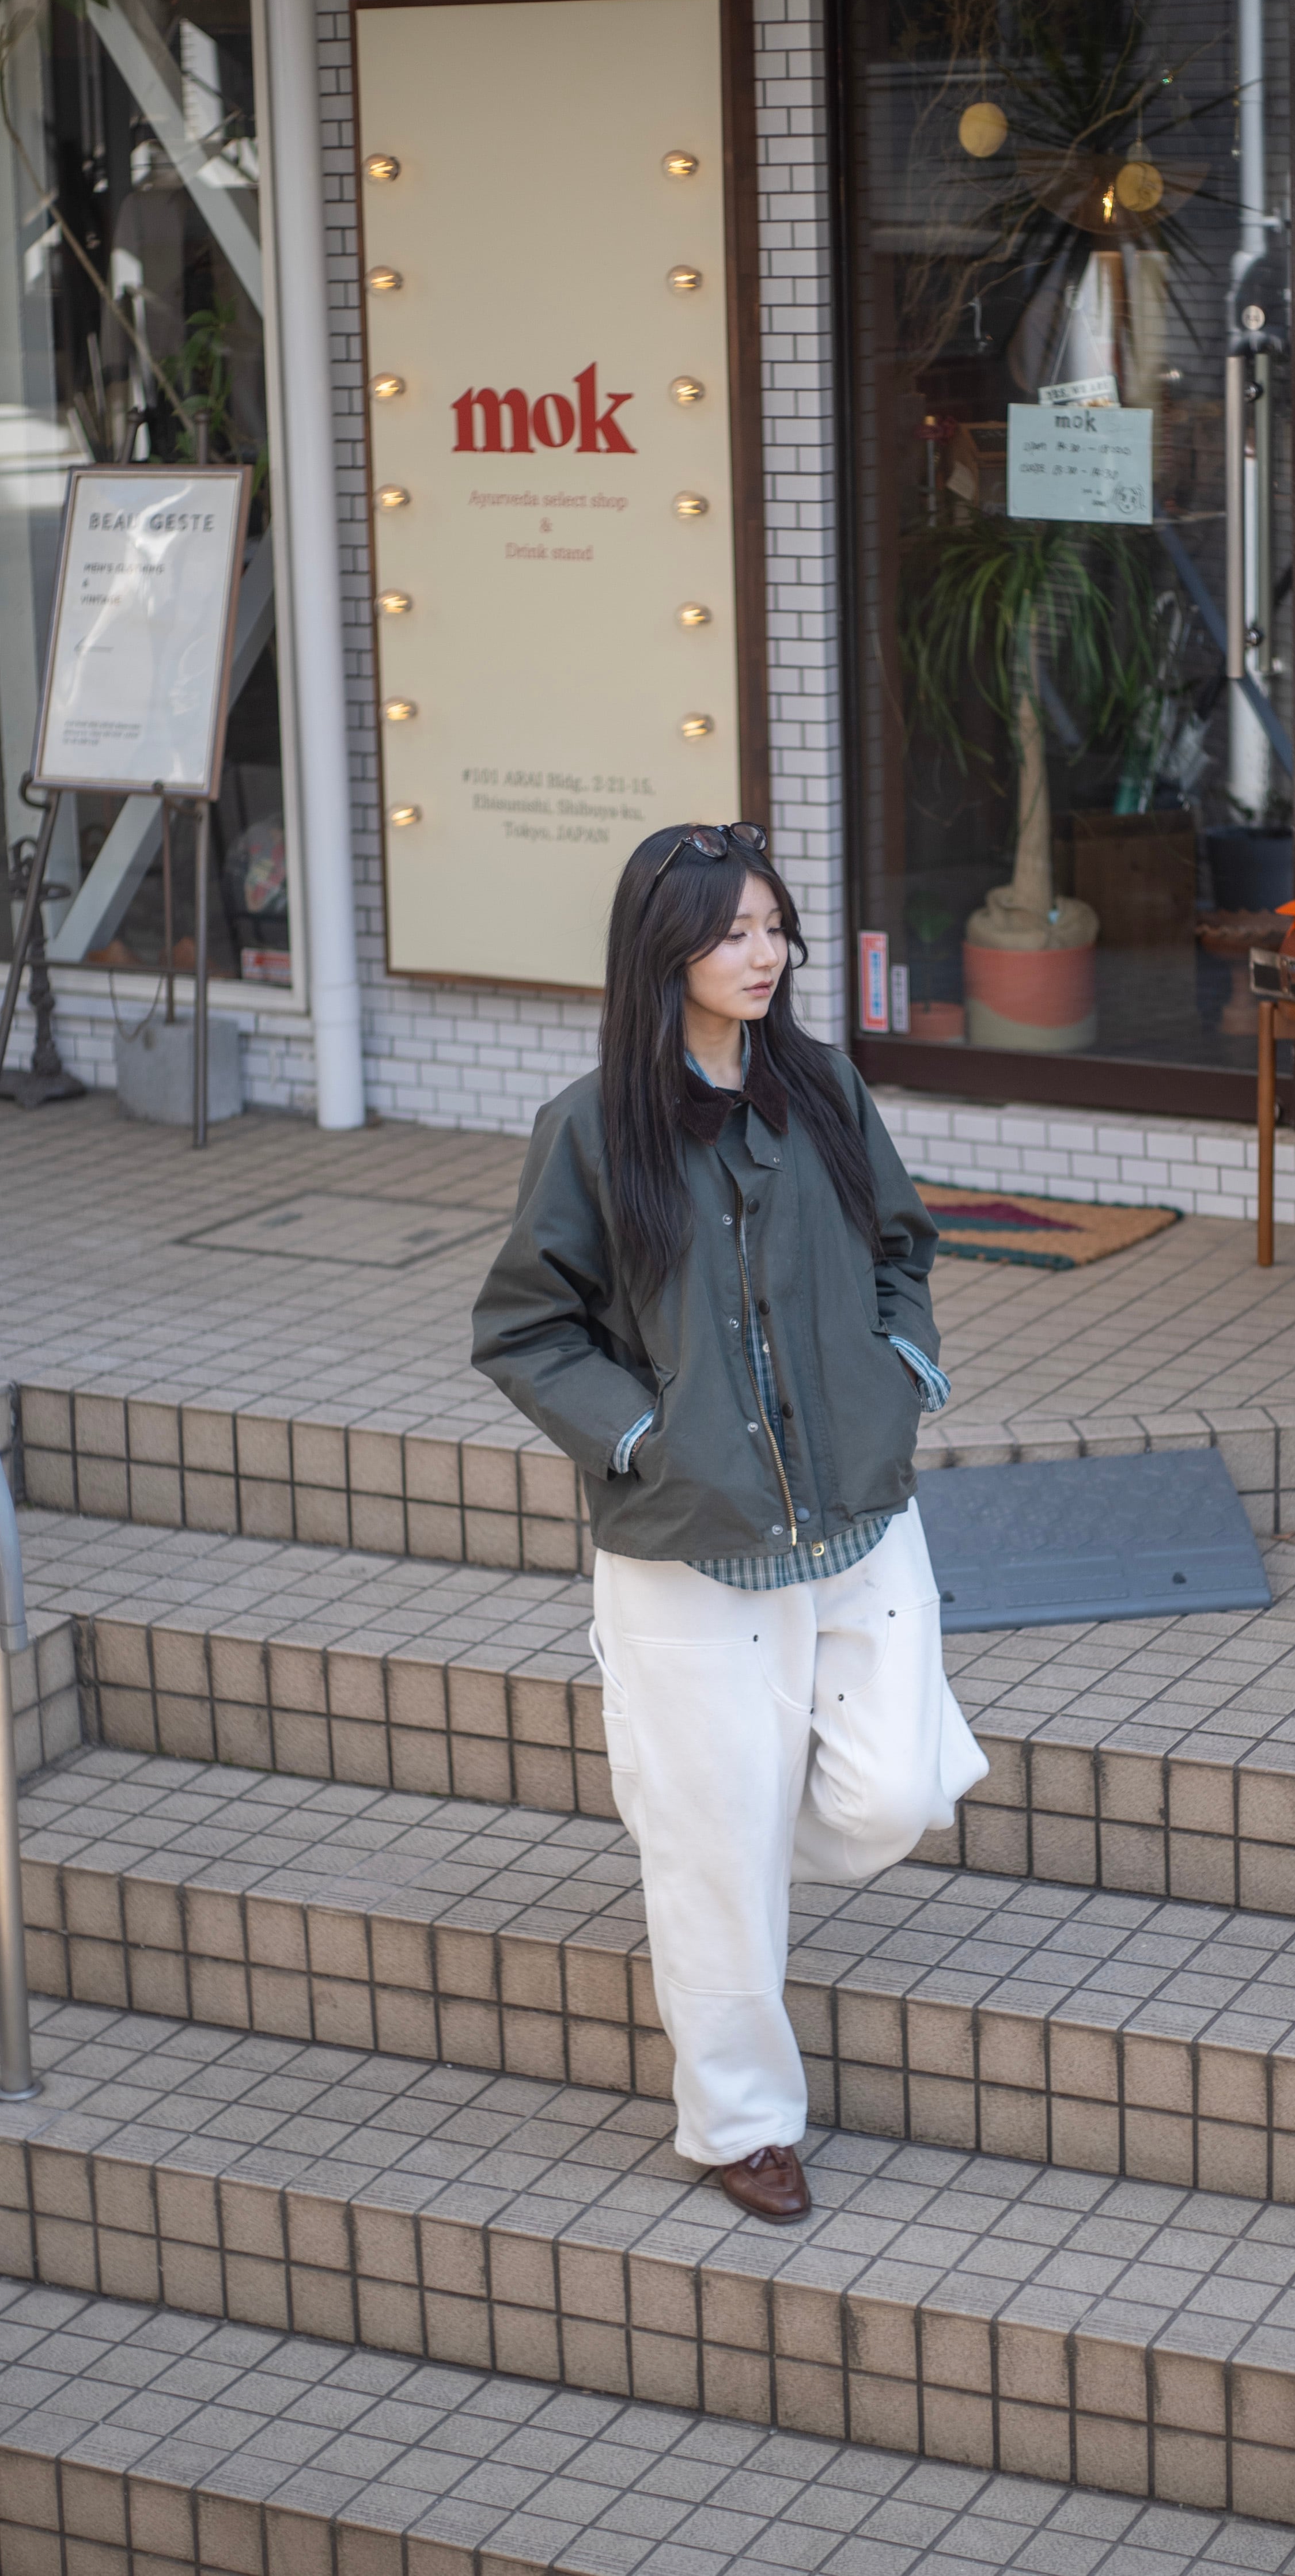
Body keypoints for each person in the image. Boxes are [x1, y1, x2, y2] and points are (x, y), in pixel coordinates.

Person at [472, 821, 987, 2223]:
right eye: (731, 931)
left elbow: (901, 1246)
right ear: (663, 951)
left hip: (856, 1514)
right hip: (687, 1543)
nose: (764, 954)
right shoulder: (589, 1127)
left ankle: (716, 1849)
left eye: (773, 926)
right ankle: (742, 2123)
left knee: (895, 1794)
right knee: (711, 1853)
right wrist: (647, 1438)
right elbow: (525, 1328)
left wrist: (901, 1366)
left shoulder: (822, 1086)